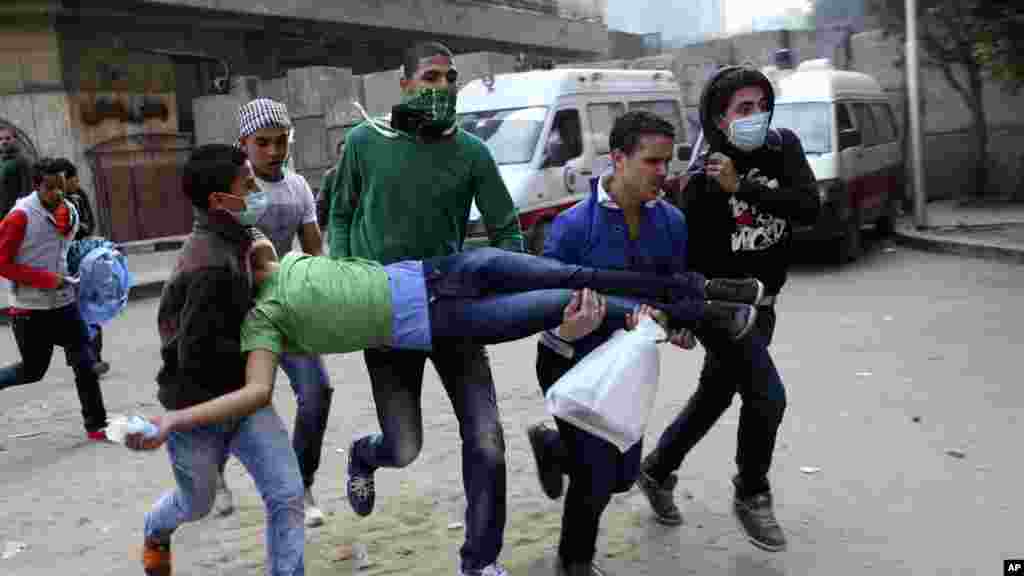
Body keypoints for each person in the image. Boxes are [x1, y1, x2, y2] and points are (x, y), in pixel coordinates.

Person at [327, 40, 525, 576]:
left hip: (454, 308)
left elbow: (506, 226)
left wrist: (507, 277)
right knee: (405, 445)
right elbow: (341, 214)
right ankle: (366, 454)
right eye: (431, 77)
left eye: (450, 79)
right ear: (405, 82)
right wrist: (347, 277)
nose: (442, 88)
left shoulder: (471, 152)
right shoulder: (364, 143)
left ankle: (480, 561)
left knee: (487, 440)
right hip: (384, 310)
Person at [523, 111, 739, 576]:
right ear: (618, 159)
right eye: (652, 161)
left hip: (630, 366)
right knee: (596, 474)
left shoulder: (672, 224)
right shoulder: (572, 228)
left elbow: (670, 292)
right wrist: (569, 330)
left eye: (668, 161)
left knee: (622, 476)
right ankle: (574, 562)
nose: (664, 172)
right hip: (571, 360)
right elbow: (544, 307)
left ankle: (552, 446)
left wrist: (680, 326)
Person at [636, 64, 820, 553]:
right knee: (768, 397)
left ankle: (656, 470)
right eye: (744, 109)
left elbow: (808, 207)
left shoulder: (784, 149)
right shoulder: (700, 183)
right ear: (719, 118)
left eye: (763, 106)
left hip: (766, 305)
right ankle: (751, 493)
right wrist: (680, 319)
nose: (756, 116)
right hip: (722, 309)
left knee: (717, 393)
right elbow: (690, 261)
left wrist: (744, 187)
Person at [131, 144, 304, 576]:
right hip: (197, 407)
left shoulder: (234, 235)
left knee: (286, 494)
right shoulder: (208, 266)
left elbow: (257, 253)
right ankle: (156, 528)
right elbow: (189, 357)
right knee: (196, 503)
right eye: (247, 185)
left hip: (245, 400)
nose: (256, 190)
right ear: (218, 201)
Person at [212, 98, 333, 529]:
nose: (273, 150)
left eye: (281, 141)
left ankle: (303, 484)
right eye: (262, 142)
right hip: (239, 313)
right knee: (233, 404)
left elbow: (315, 247)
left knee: (317, 393)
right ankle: (214, 476)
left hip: (287, 308)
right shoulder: (231, 192)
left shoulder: (298, 187)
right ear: (243, 144)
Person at [0, 157, 110, 441]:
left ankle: (97, 426)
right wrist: (46, 279)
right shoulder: (19, 216)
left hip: (65, 303)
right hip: (30, 310)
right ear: (37, 187)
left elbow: (67, 250)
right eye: (50, 188)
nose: (57, 193)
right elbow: (3, 264)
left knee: (84, 362)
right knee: (32, 371)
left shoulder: (70, 210)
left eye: (61, 186)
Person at [54, 158, 110, 377]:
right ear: (63, 180)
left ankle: (95, 358)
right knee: (73, 312)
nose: (77, 181)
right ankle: (82, 361)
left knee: (92, 307)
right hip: (64, 264)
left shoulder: (80, 196)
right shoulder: (54, 202)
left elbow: (89, 223)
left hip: (84, 257)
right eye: (73, 178)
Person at [0, 126, 32, 217]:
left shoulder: (22, 161)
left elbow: (26, 192)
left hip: (12, 214)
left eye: (7, 138)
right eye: (0, 139)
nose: (4, 142)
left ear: (15, 140)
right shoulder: (1, 161)